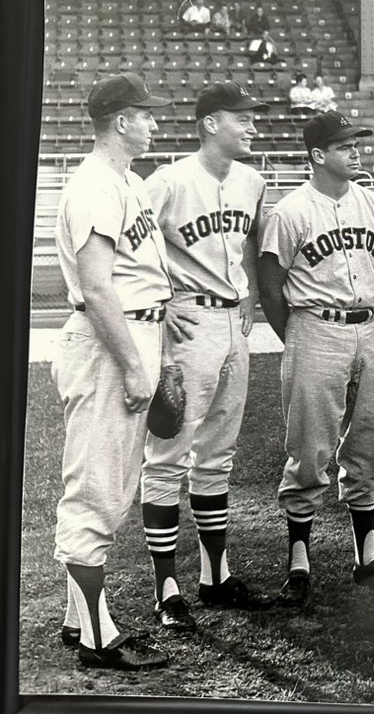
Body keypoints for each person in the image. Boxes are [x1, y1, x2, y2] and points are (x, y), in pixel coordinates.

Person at [259, 111, 374, 606]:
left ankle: (367, 555)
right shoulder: (291, 211)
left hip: (368, 326)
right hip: (314, 326)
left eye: (356, 142)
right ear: (318, 155)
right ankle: (299, 560)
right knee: (310, 444)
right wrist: (298, 336)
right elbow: (271, 285)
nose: (356, 150)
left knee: (370, 439)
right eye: (344, 145)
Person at [140, 81, 273, 633]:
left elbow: (246, 242)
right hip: (188, 320)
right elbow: (131, 243)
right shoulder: (168, 180)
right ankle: (166, 588)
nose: (252, 126)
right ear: (210, 123)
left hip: (231, 324)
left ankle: (215, 577)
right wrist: (156, 297)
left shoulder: (252, 179)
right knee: (168, 454)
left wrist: (249, 294)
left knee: (218, 455)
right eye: (241, 118)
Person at [51, 72, 173, 669]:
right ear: (120, 121)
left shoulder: (128, 182)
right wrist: (133, 367)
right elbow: (98, 289)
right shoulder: (95, 185)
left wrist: (157, 352)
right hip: (108, 342)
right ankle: (99, 639)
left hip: (132, 332)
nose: (154, 123)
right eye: (146, 115)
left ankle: (80, 621)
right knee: (96, 489)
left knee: (110, 484)